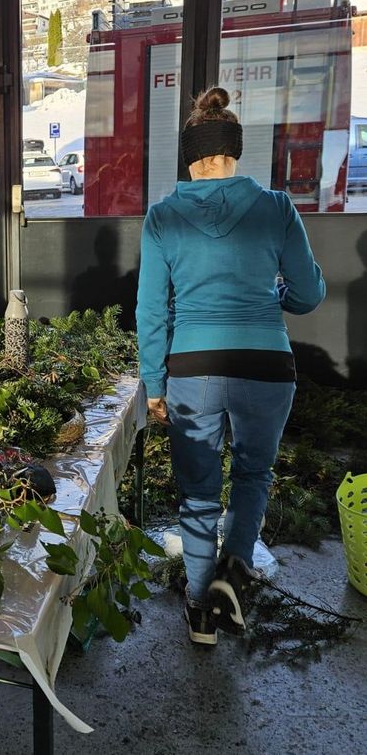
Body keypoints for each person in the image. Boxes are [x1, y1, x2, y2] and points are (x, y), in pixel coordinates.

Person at [135, 87, 325, 646]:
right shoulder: (276, 207)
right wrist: (277, 300)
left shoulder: (164, 216)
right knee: (252, 475)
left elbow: (151, 308)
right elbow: (309, 293)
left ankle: (200, 612)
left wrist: (153, 383)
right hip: (268, 362)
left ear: (191, 158)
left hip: (193, 365)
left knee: (197, 492)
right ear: (234, 153)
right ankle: (234, 574)